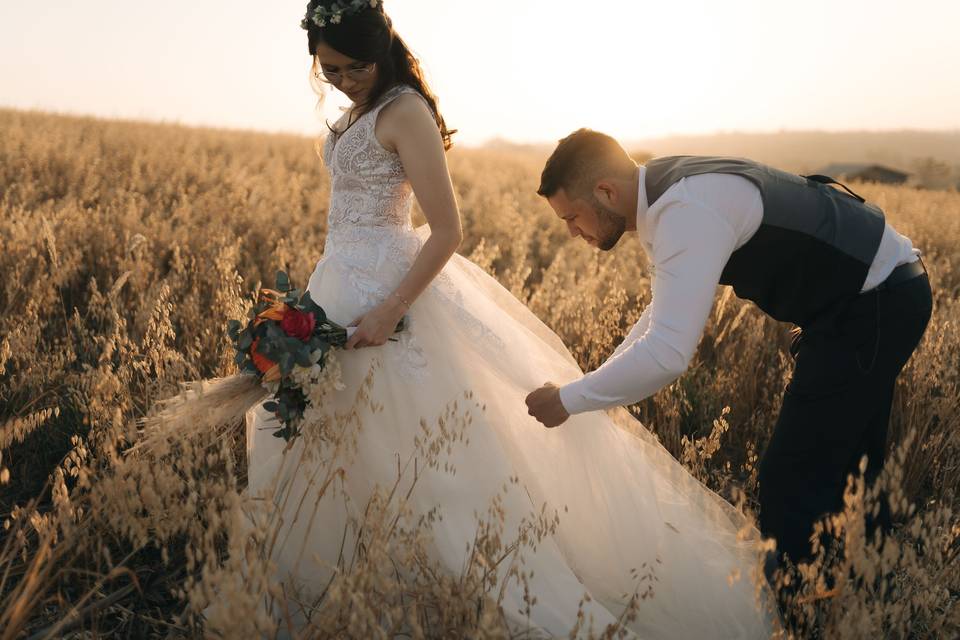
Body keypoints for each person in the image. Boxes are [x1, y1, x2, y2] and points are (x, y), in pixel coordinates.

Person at [244, 2, 776, 636]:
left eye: (352, 67)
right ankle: (339, 595)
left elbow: (447, 231)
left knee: (430, 466)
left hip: (394, 301)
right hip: (336, 289)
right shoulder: (354, 113)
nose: (341, 79)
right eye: (328, 68)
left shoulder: (404, 110)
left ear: (380, 50)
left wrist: (390, 310)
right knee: (328, 445)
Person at [526, 129, 933, 596]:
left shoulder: (683, 211)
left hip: (873, 304)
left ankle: (799, 612)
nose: (572, 232)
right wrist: (588, 388)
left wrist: (571, 400)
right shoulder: (660, 190)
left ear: (605, 192)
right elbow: (660, 317)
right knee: (854, 464)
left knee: (790, 477)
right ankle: (869, 598)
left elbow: (667, 353)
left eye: (572, 217)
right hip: (876, 294)